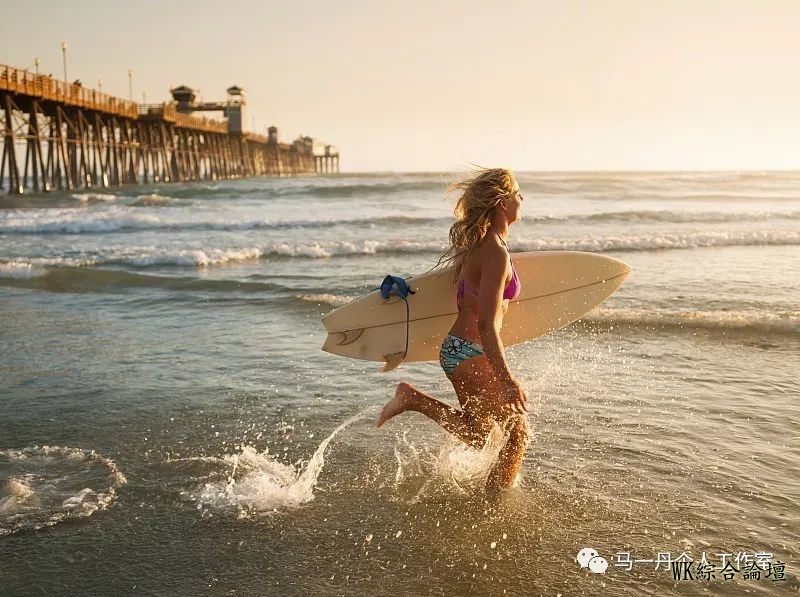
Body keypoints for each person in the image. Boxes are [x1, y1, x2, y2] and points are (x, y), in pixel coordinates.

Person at [377, 167, 529, 492]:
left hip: (459, 350)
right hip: (469, 351)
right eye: (517, 193)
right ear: (503, 203)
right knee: (517, 433)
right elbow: (487, 325)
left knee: (482, 434)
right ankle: (494, 507)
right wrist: (507, 379)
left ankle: (412, 398)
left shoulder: (482, 247)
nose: (522, 199)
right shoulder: (495, 254)